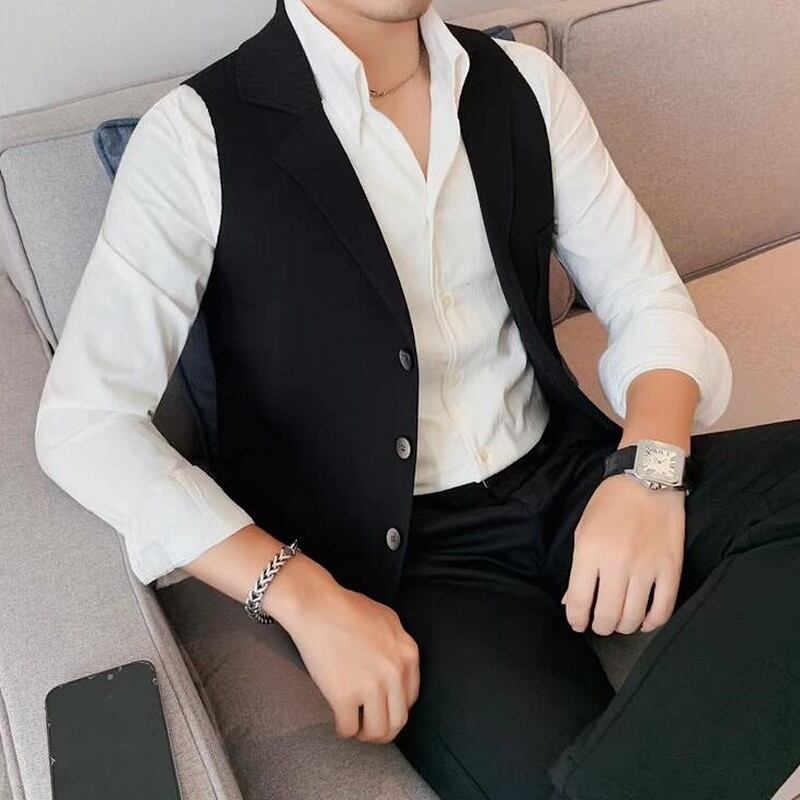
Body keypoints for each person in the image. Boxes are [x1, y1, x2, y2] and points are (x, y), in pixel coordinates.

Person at [34, 0, 800, 797]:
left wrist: (648, 470)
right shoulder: (194, 136)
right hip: (413, 566)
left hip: (572, 475)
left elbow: (647, 298)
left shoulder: (524, 84)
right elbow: (85, 423)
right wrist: (301, 594)